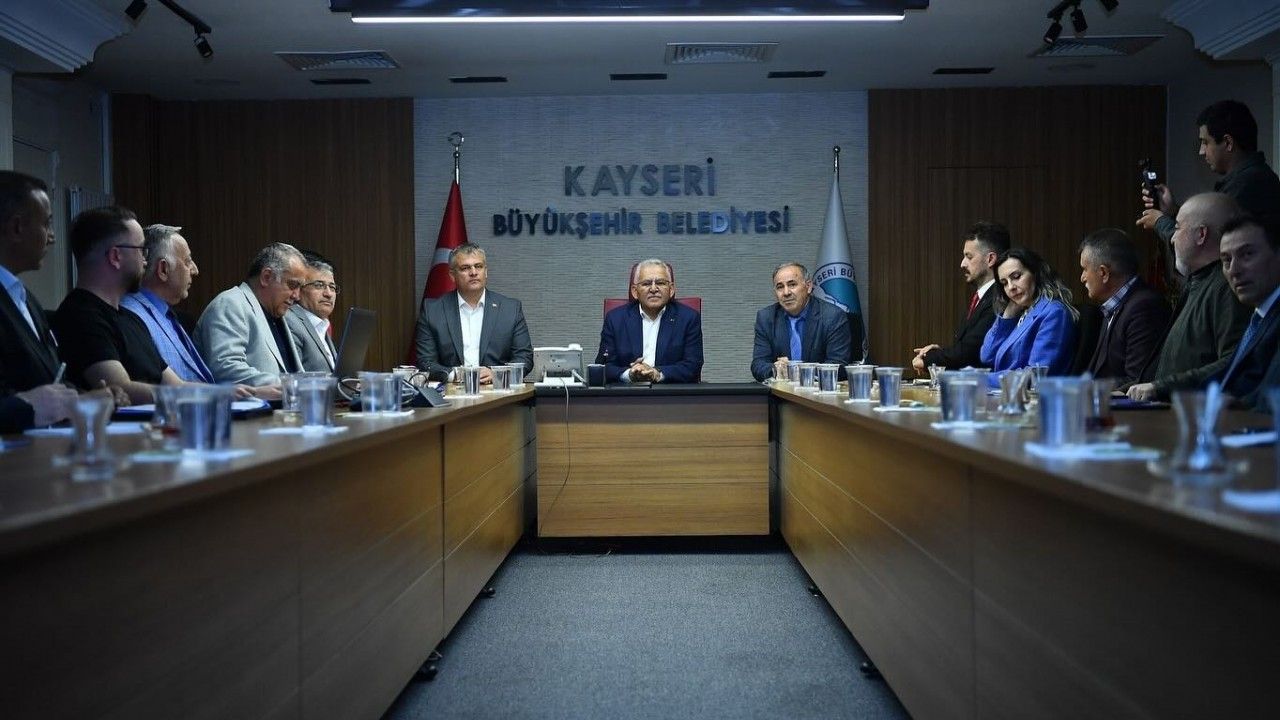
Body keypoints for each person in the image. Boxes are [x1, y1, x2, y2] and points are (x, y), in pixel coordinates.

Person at [53, 206, 195, 405]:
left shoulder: (131, 319)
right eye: (141, 250)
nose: (145, 260)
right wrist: (203, 396)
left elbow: (176, 385)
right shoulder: (79, 316)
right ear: (116, 256)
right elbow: (121, 390)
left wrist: (231, 393)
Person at [1128, 193, 1252, 401]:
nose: (1173, 238)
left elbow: (1234, 362)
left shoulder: (1228, 287)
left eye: (1177, 228)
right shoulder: (1198, 282)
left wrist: (1161, 388)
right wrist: (1126, 390)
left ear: (1201, 234)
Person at [0, 171, 80, 431]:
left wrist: (82, 398)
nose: (52, 236)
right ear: (17, 228)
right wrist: (25, 407)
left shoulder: (25, 298)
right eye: (46, 224)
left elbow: (49, 377)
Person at [1139, 100, 1280, 246]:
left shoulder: (1248, 186)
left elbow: (1203, 246)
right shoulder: (1251, 180)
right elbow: (1207, 230)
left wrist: (1160, 222)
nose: (1201, 151)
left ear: (1228, 143)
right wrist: (1174, 211)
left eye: (1205, 142)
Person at [414, 243, 534, 383]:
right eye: (465, 268)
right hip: (452, 391)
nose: (473, 272)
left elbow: (524, 358)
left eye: (478, 266)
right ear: (452, 275)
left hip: (497, 390)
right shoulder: (432, 310)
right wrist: (456, 376)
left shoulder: (510, 309)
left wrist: (497, 374)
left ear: (486, 271)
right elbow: (425, 361)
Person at [195, 242, 307, 387]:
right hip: (250, 402)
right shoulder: (230, 303)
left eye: (300, 288)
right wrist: (287, 386)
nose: (297, 296)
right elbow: (225, 368)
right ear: (266, 277)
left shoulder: (277, 314)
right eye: (292, 285)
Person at [120, 224, 216, 383]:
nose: (195, 270)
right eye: (188, 261)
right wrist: (230, 393)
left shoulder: (167, 314)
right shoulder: (131, 317)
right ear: (163, 269)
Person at [912, 221, 1010, 372]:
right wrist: (939, 353)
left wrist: (929, 358)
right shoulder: (982, 297)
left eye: (969, 257)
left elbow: (970, 353)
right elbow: (964, 347)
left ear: (990, 259)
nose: (962, 264)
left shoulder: (999, 298)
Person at [1077, 228, 1171, 386]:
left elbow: (1138, 380)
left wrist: (1088, 389)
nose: (1082, 278)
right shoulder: (1114, 305)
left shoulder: (1145, 307)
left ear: (1104, 273)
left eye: (1085, 269)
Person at [979, 247, 1078, 388]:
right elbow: (986, 356)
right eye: (1004, 283)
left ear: (1035, 273)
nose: (1011, 287)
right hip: (1012, 395)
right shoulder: (1021, 311)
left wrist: (982, 379)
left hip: (1037, 398)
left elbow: (1035, 375)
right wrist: (1007, 317)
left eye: (1016, 276)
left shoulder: (1054, 312)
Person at [596, 258, 703, 383]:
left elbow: (693, 365)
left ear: (671, 289)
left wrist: (657, 374)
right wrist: (629, 374)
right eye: (646, 284)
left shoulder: (688, 318)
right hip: (627, 392)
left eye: (660, 283)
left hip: (671, 391)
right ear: (635, 291)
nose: (653, 289)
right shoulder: (615, 319)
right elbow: (603, 366)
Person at [1214, 216, 1280, 410]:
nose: (1234, 270)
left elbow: (1271, 398)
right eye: (1226, 260)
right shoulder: (1259, 317)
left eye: (1247, 254)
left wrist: (1235, 406)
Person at [751, 262, 852, 381]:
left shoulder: (832, 316)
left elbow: (838, 365)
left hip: (818, 390)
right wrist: (776, 369)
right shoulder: (766, 318)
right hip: (780, 391)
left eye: (792, 284)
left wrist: (795, 372)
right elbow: (758, 364)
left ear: (808, 287)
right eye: (780, 287)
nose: (786, 292)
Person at [288, 250, 339, 373]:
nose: (328, 294)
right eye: (319, 285)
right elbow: (292, 377)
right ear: (299, 290)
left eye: (332, 287)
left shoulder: (322, 325)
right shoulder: (290, 321)